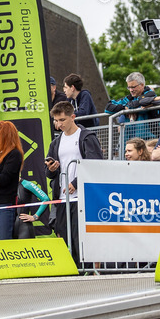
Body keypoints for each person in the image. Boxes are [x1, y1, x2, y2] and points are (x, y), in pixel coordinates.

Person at [45, 102, 103, 253]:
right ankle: (72, 268)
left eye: (62, 120)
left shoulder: (87, 137)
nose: (59, 124)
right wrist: (51, 169)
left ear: (73, 117)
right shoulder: (56, 142)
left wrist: (76, 182)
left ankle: (86, 270)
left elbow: (95, 164)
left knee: (81, 236)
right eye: (56, 120)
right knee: (62, 233)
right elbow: (49, 172)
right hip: (62, 197)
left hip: (82, 196)